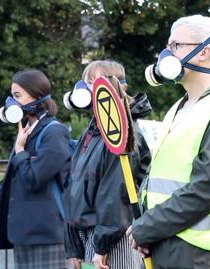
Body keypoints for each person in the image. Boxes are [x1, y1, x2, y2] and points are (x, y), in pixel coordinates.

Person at [126, 15, 210, 269]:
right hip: (166, 241)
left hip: (198, 252)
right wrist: (148, 229)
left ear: (204, 53)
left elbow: (206, 189)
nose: (166, 53)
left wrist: (148, 227)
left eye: (175, 46)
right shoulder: (179, 108)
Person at [0, 69, 71, 268]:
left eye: (17, 96)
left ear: (37, 95)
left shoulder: (55, 132)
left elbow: (34, 179)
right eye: (12, 96)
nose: (12, 102)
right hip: (24, 236)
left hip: (46, 236)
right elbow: (10, 180)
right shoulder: (26, 131)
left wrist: (20, 151)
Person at [63, 60, 151, 269]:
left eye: (91, 82)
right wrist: (74, 246)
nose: (84, 89)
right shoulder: (92, 132)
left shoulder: (124, 134)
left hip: (114, 239)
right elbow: (74, 188)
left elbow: (116, 195)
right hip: (91, 235)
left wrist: (102, 247)